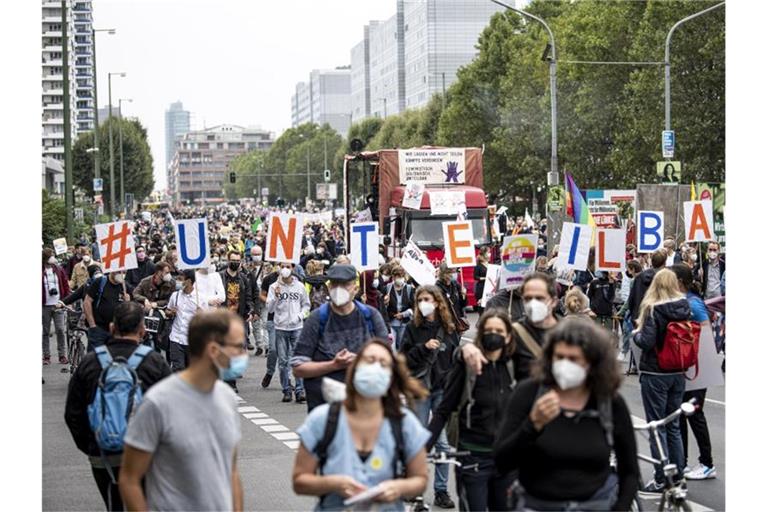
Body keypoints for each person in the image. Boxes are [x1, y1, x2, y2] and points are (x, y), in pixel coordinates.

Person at [495, 318, 640, 511]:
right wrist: (532, 425)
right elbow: (502, 461)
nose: (564, 365)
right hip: (537, 505)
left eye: (573, 359)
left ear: (592, 363)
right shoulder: (529, 393)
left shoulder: (609, 403)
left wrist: (620, 507)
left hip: (594, 504)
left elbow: (629, 470)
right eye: (559, 357)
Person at [119, 309, 245, 511]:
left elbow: (231, 470)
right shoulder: (158, 403)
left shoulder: (227, 397)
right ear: (213, 350)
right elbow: (129, 479)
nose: (243, 355)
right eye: (239, 347)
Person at [292, 339, 430, 511]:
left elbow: (420, 479)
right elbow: (300, 481)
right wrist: (333, 483)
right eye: (370, 360)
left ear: (391, 377)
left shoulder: (405, 423)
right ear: (355, 368)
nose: (375, 368)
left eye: (383, 364)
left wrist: (398, 488)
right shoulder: (323, 419)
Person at [64, 301, 171, 512]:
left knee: (114, 505)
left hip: (102, 453)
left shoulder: (90, 362)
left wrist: (92, 446)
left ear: (112, 328)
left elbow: (73, 413)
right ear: (142, 330)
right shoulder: (155, 363)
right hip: (146, 453)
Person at [427, 309, 517, 511]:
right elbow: (443, 410)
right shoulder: (466, 367)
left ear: (509, 335)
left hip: (506, 461)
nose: (493, 334)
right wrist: (422, 448)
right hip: (472, 458)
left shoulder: (514, 366)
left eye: (499, 330)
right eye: (488, 329)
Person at [292, 264, 389, 412]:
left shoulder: (370, 316)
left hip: (363, 409)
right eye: (335, 284)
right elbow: (299, 368)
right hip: (324, 411)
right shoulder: (317, 319)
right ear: (329, 288)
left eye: (345, 285)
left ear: (355, 289)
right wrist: (334, 365)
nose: (339, 289)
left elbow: (388, 361)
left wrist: (359, 360)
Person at [400, 285, 461, 510]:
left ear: (437, 302)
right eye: (419, 300)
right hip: (420, 389)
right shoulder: (412, 328)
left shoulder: (449, 328)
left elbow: (456, 360)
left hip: (442, 391)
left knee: (443, 445)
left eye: (427, 299)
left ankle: (441, 491)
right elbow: (403, 359)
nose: (423, 303)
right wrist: (423, 348)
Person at [633, 269, 691, 493]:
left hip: (656, 372)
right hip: (678, 370)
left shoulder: (653, 309)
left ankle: (661, 478)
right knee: (673, 426)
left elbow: (646, 342)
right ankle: (677, 476)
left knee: (657, 428)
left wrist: (636, 333)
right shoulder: (683, 308)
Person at [461, 272, 562, 382]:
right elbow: (486, 348)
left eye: (539, 298)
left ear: (554, 302)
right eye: (528, 298)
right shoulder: (515, 333)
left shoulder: (569, 332)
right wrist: (466, 349)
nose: (533, 303)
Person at [670, 264, 717, 481]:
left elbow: (706, 333)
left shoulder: (694, 303)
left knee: (694, 413)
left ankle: (707, 463)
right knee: (681, 412)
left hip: (698, 365)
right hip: (686, 365)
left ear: (679, 281)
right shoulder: (682, 301)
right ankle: (683, 461)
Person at [267, 262, 310, 403]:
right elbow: (270, 309)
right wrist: (276, 296)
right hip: (280, 328)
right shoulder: (273, 287)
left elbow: (306, 305)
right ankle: (286, 390)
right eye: (283, 266)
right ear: (279, 268)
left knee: (297, 359)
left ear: (293, 268)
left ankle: (299, 390)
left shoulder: (300, 286)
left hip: (297, 327)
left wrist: (299, 316)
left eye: (289, 266)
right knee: (283, 361)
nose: (286, 269)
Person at [219, 250, 254, 392]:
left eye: (238, 260)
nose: (235, 263)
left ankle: (231, 381)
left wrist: (251, 311)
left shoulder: (243, 279)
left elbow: (249, 297)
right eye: (233, 260)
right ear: (228, 260)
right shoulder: (220, 277)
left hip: (238, 319)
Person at [167, 270, 207, 372]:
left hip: (192, 340)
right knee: (178, 368)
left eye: (180, 279)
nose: (177, 281)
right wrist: (171, 312)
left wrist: (201, 314)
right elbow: (168, 311)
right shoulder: (175, 295)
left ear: (189, 281)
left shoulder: (200, 298)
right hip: (176, 338)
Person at [83, 270, 131, 351]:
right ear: (112, 271)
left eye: (124, 272)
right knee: (95, 359)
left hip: (116, 332)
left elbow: (129, 310)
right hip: (99, 329)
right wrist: (92, 325)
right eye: (119, 272)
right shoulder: (100, 282)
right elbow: (87, 302)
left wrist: (128, 302)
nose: (122, 275)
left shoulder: (124, 286)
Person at [42, 248, 71, 365]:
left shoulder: (59, 269)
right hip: (45, 305)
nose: (53, 258)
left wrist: (67, 300)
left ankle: (62, 355)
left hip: (58, 304)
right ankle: (46, 355)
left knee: (60, 329)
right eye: (51, 256)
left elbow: (65, 284)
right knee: (45, 331)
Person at [384, 265, 415, 351]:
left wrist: (404, 314)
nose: (400, 278)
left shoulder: (409, 289)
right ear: (393, 277)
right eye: (397, 276)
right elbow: (382, 308)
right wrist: (385, 303)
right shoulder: (387, 288)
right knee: (392, 348)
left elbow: (414, 307)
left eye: (401, 276)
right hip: (391, 323)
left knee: (401, 347)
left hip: (404, 323)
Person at [436, 262, 467, 328]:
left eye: (451, 272)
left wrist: (463, 295)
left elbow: (463, 304)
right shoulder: (437, 287)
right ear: (442, 273)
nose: (450, 275)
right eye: (447, 273)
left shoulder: (455, 284)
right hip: (445, 322)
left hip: (457, 321)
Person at [474, 248, 490, 315]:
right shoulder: (478, 265)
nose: (489, 254)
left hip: (489, 287)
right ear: (484, 254)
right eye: (488, 252)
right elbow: (475, 277)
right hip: (481, 288)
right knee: (482, 307)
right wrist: (484, 278)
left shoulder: (489, 264)